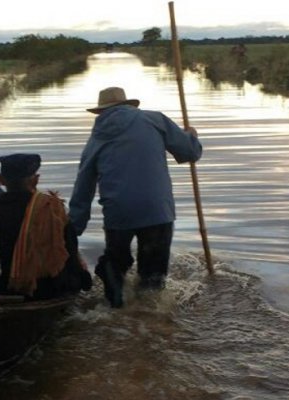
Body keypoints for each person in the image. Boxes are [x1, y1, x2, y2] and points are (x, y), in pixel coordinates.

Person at [69, 87, 202, 308]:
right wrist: (192, 137)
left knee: (117, 265)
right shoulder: (154, 120)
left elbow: (84, 186)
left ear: (101, 113)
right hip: (157, 210)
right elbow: (189, 152)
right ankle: (150, 316)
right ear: (129, 105)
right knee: (153, 280)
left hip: (118, 213)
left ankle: (114, 292)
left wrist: (73, 230)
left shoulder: (95, 139)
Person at [0, 153, 92, 300]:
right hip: (46, 290)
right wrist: (83, 277)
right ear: (36, 180)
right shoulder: (51, 208)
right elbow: (69, 249)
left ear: (1, 180)